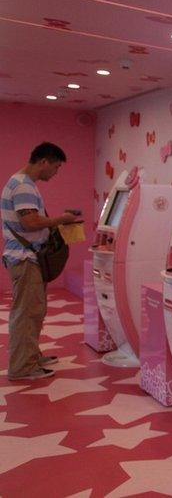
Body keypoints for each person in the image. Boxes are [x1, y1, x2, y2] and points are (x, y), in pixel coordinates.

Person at [2, 142, 78, 380]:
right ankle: (22, 367)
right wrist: (60, 219)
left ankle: (30, 356)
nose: (55, 173)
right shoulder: (24, 186)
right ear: (44, 161)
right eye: (55, 167)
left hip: (26, 257)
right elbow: (30, 222)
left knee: (34, 310)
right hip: (26, 258)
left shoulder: (21, 183)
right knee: (27, 313)